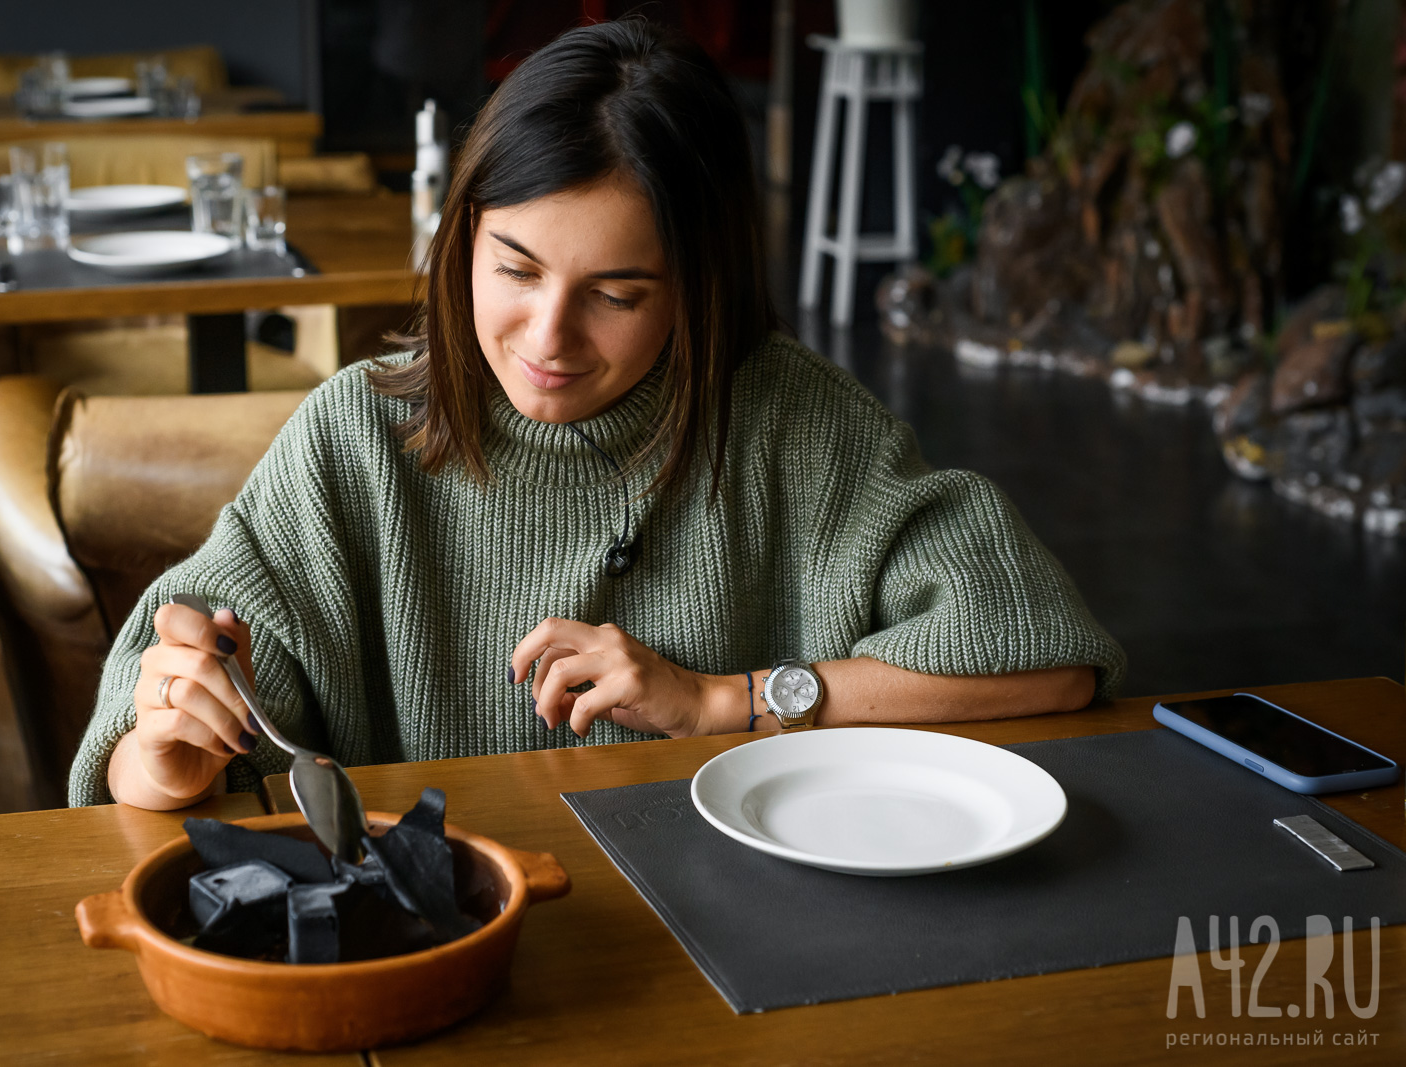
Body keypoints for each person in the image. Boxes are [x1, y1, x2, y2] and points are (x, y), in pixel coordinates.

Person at [70, 20, 1125, 810]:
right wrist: (166, 751)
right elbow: (140, 734)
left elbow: (1039, 650)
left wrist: (726, 701)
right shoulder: (357, 438)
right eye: (514, 269)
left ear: (697, 287)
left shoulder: (789, 423)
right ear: (461, 237)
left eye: (616, 295)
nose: (547, 336)